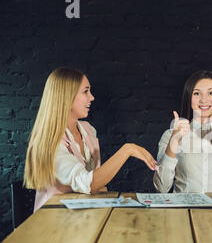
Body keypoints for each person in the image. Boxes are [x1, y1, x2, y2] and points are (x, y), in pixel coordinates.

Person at [24, 67, 158, 212]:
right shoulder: (51, 142)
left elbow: (94, 184)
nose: (92, 97)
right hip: (53, 220)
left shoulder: (88, 130)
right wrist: (128, 149)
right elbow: (90, 184)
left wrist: (95, 185)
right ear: (67, 96)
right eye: (85, 91)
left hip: (80, 216)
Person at [153, 70, 212, 193]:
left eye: (211, 93)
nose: (204, 100)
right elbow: (161, 188)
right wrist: (174, 140)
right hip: (183, 210)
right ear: (189, 98)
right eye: (197, 93)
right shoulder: (170, 135)